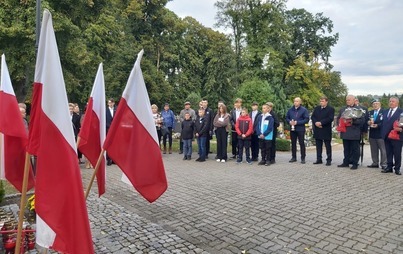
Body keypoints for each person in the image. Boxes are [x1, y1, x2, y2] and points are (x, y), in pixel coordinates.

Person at [336, 95, 365, 170]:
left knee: (355, 149)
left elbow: (362, 121)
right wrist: (339, 125)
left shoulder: (358, 109)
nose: (347, 101)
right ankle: (346, 162)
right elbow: (338, 118)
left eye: (349, 100)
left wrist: (353, 121)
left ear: (353, 100)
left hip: (354, 131)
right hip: (345, 131)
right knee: (346, 148)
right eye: (346, 100)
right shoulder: (343, 109)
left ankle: (355, 163)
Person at [381, 96, 403, 175]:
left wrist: (401, 129)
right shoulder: (385, 111)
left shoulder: (401, 112)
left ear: (397, 103)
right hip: (386, 136)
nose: (391, 103)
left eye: (393, 101)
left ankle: (397, 168)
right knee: (388, 152)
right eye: (390, 101)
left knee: (397, 153)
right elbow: (382, 123)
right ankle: (389, 167)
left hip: (397, 136)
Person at [311, 96, 335, 166]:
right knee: (318, 145)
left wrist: (321, 123)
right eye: (320, 101)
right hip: (318, 129)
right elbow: (313, 117)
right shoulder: (317, 108)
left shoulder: (330, 109)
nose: (321, 102)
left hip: (326, 129)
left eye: (323, 101)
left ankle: (329, 159)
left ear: (326, 102)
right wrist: (316, 123)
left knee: (327, 145)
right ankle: (319, 159)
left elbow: (330, 118)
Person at [286, 97, 309, 164]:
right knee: (293, 143)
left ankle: (303, 157)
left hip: (300, 129)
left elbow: (306, 119)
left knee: (301, 143)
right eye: (295, 101)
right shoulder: (290, 110)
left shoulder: (304, 110)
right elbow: (287, 117)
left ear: (300, 102)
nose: (295, 102)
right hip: (292, 129)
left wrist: (297, 122)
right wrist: (289, 121)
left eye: (297, 101)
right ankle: (293, 157)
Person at [367, 99, 387, 169]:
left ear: (380, 104)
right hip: (372, 134)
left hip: (381, 134)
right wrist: (368, 123)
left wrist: (378, 125)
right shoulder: (370, 112)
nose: (375, 105)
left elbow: (385, 122)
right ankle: (375, 163)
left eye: (377, 103)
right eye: (374, 104)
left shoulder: (384, 112)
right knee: (373, 149)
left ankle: (384, 164)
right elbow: (367, 120)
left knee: (383, 150)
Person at [106, 98, 117, 165]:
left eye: (112, 103)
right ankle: (108, 159)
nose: (110, 104)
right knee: (108, 144)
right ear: (108, 103)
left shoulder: (116, 110)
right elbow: (105, 120)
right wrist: (109, 126)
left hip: (115, 130)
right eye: (109, 103)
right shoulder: (106, 111)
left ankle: (114, 159)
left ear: (113, 103)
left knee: (115, 144)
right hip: (108, 129)